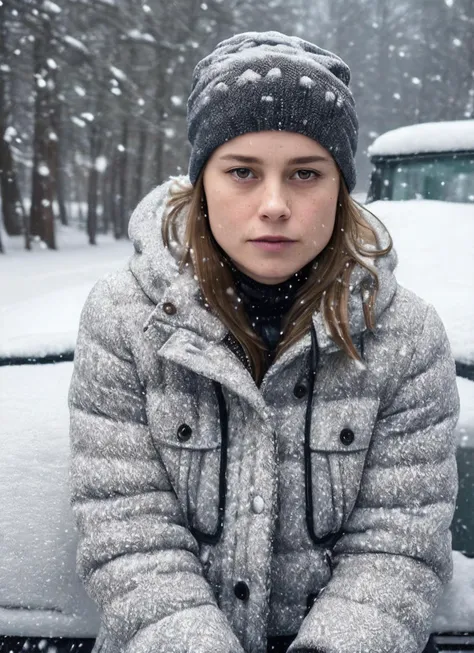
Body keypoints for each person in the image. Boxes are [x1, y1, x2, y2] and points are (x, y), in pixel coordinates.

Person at [68, 31, 459, 653]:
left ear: (340, 186)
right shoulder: (126, 320)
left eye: (305, 173)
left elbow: (399, 541)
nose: (274, 204)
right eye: (242, 172)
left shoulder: (405, 335)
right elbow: (129, 531)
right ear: (202, 183)